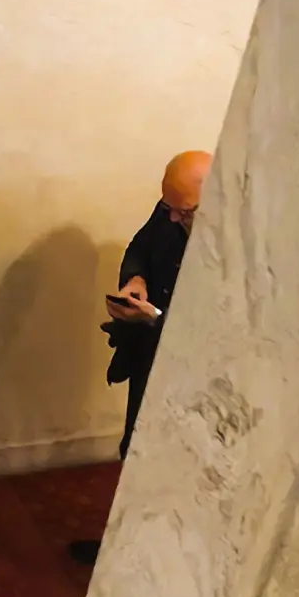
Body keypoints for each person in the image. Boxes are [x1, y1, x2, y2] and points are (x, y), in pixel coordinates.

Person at [104, 148, 207, 454]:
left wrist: (156, 317)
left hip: (196, 376)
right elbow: (140, 247)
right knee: (137, 445)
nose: (173, 217)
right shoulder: (172, 207)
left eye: (185, 212)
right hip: (151, 357)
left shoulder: (238, 242)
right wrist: (136, 280)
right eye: (168, 206)